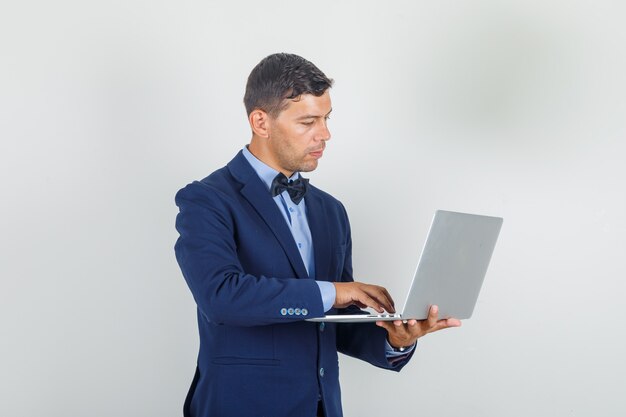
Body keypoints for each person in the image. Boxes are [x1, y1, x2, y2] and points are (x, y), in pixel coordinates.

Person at [174, 52, 461, 417]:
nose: (324, 134)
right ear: (261, 122)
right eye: (308, 121)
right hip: (240, 406)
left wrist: (394, 339)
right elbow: (220, 296)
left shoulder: (331, 211)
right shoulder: (207, 199)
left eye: (326, 119)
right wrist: (336, 291)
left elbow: (330, 320)